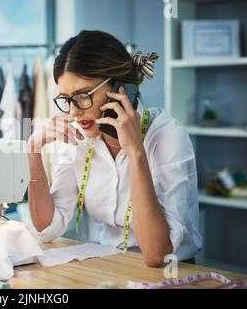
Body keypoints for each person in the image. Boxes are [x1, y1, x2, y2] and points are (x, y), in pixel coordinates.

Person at [27, 30, 202, 267]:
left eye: (83, 96)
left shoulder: (167, 137)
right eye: (67, 99)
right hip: (110, 265)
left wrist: (136, 152)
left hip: (172, 273)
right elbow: (48, 229)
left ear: (122, 89)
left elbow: (157, 255)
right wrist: (33, 150)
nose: (73, 112)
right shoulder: (79, 138)